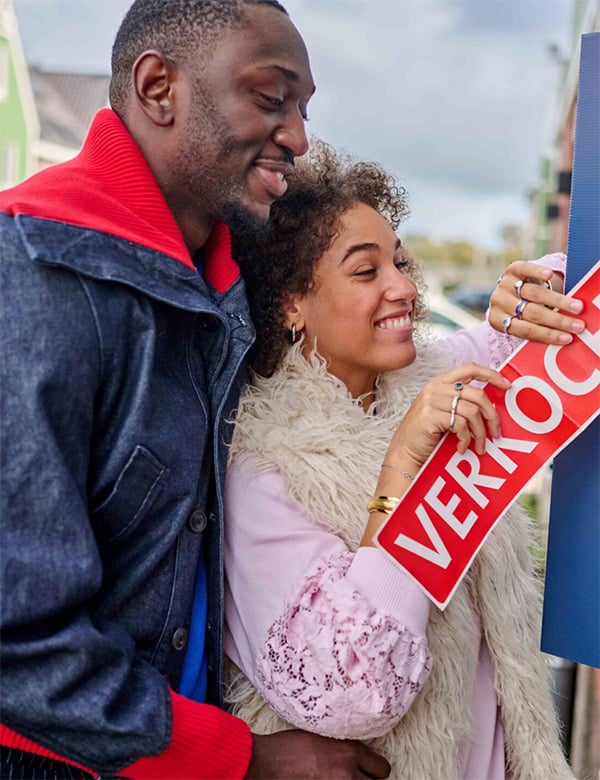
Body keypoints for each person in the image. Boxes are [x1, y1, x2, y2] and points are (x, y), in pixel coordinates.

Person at [0, 3, 391, 779]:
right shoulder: (32, 277)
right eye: (271, 97)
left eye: (304, 109)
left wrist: (517, 313)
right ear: (157, 88)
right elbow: (18, 645)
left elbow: (364, 331)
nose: (298, 136)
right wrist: (245, 762)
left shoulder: (231, 274)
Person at [223, 141, 585, 779]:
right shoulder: (270, 467)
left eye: (400, 261)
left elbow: (583, 300)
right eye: (366, 272)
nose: (403, 287)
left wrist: (531, 285)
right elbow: (352, 695)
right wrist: (401, 474)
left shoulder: (435, 377)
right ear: (290, 304)